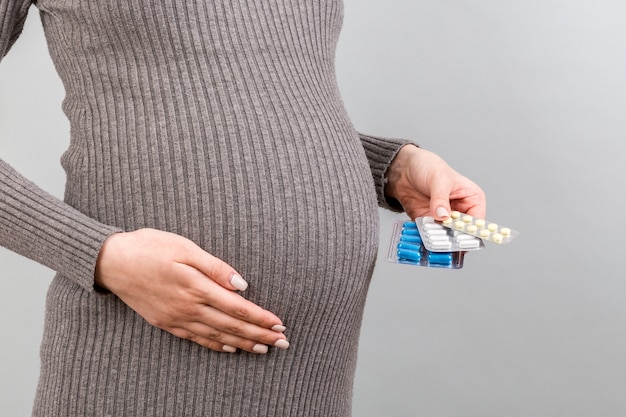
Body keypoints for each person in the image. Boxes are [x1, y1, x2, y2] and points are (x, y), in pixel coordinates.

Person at [0, 1, 486, 416]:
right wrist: (99, 255)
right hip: (145, 362)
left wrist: (393, 168)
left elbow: (261, 99)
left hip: (316, 367)